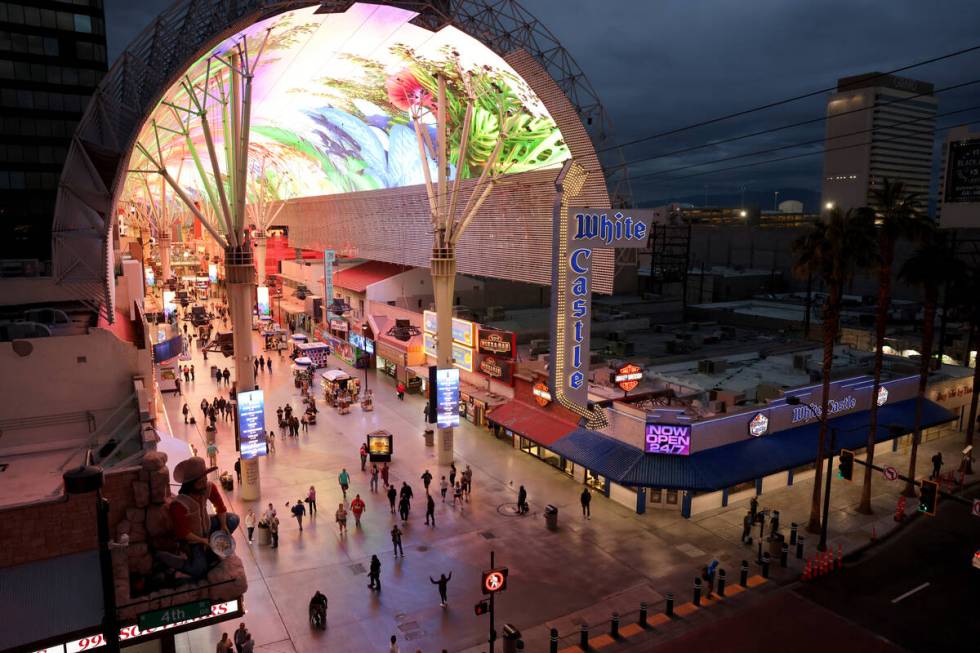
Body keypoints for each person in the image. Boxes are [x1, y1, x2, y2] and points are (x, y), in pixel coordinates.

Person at [156, 457, 239, 580]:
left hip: (209, 527)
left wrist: (223, 525)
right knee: (199, 569)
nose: (204, 483)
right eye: (200, 481)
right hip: (193, 539)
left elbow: (220, 507)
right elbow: (183, 533)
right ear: (191, 483)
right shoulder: (179, 504)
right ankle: (172, 560)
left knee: (233, 519)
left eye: (205, 478)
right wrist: (203, 541)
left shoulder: (209, 488)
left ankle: (211, 550)